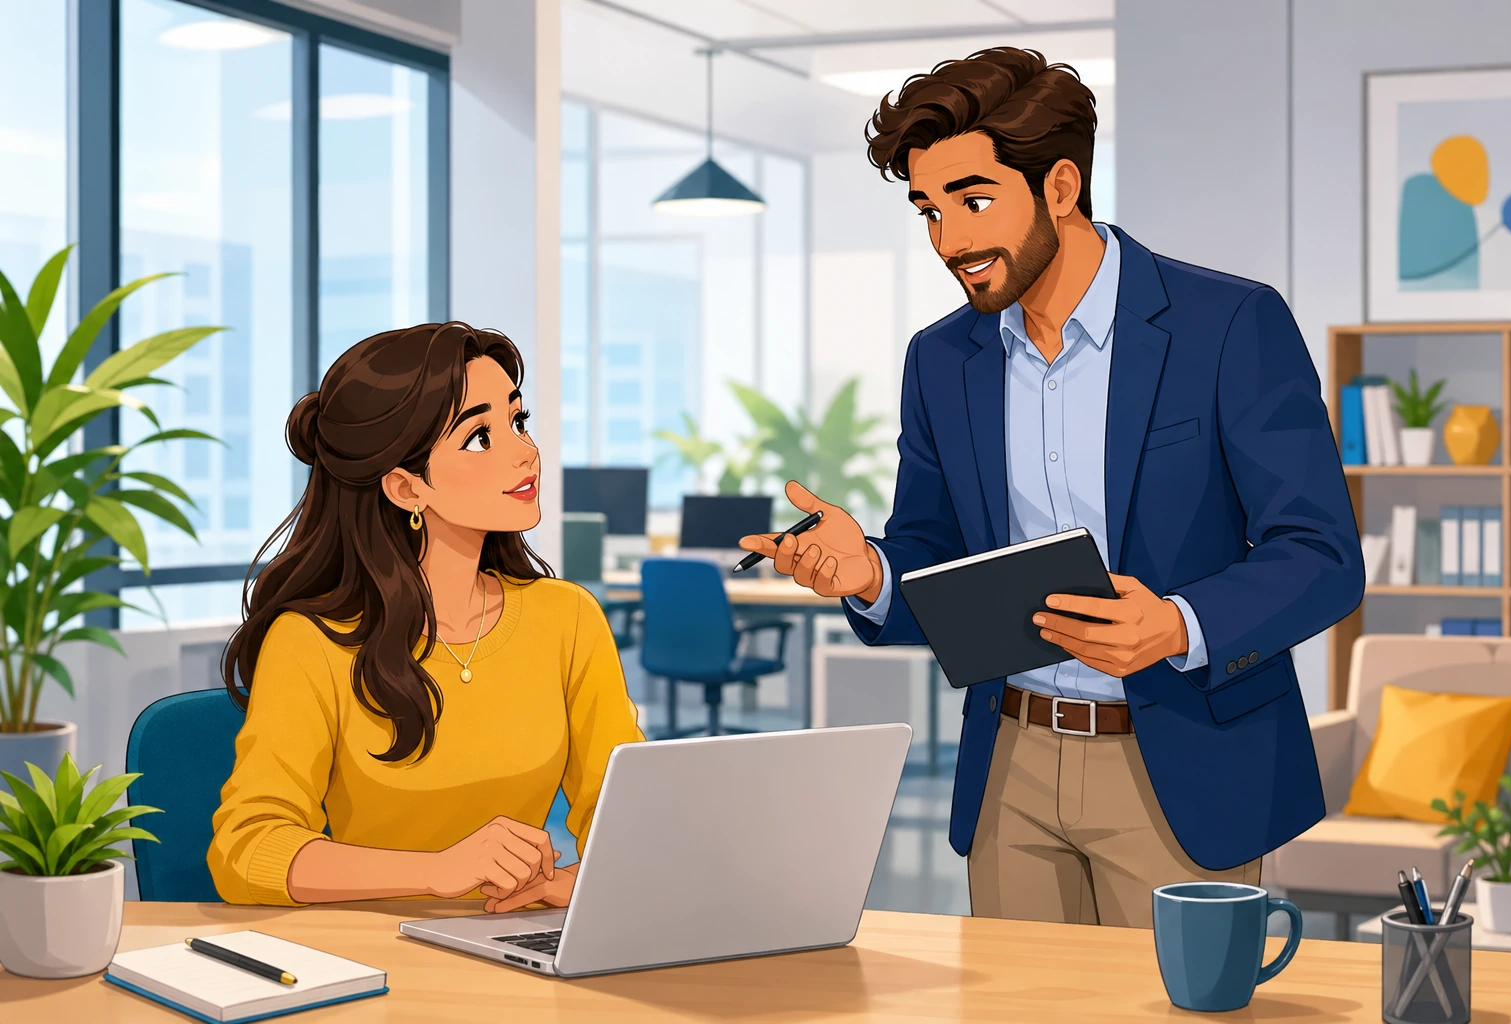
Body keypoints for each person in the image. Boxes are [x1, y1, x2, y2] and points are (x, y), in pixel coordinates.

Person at [740, 48, 1364, 928]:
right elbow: (936, 556)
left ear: (1060, 187)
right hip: (1013, 766)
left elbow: (1323, 557)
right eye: (928, 209)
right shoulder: (943, 359)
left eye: (974, 200)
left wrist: (1179, 625)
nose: (949, 240)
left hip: (1179, 762)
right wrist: (872, 575)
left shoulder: (1227, 325)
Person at [208, 322, 643, 911]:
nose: (525, 451)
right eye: (480, 437)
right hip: (372, 957)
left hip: (517, 947)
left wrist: (592, 877)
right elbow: (248, 850)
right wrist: (437, 871)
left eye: (518, 421)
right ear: (406, 488)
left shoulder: (568, 619)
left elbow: (628, 816)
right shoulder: (313, 642)